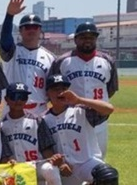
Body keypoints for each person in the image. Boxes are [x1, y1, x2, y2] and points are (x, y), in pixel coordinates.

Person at [43, 75, 121, 185]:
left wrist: (79, 99)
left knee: (107, 176)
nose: (60, 92)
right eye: (55, 89)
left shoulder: (82, 111)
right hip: (64, 170)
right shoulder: (44, 120)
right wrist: (59, 163)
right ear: (47, 94)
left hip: (86, 162)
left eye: (64, 88)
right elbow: (46, 147)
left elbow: (108, 109)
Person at [0, 82, 67, 185]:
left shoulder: (37, 121)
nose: (19, 100)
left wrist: (55, 159)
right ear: (7, 99)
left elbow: (46, 149)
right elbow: (4, 154)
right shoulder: (1, 125)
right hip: (14, 171)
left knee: (51, 170)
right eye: (14, 96)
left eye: (22, 97)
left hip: (35, 167)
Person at [49, 22, 118, 159]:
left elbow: (110, 89)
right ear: (75, 39)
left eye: (91, 37)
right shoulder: (63, 61)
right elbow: (53, 88)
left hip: (99, 118)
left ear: (96, 39)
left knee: (98, 160)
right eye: (83, 37)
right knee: (72, 159)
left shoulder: (107, 61)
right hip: (71, 120)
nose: (87, 40)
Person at [0, 0, 57, 117]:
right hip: (11, 110)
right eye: (27, 27)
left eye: (35, 27)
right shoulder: (12, 52)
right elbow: (5, 39)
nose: (31, 29)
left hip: (39, 111)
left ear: (40, 30)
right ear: (20, 31)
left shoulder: (50, 58)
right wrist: (9, 15)